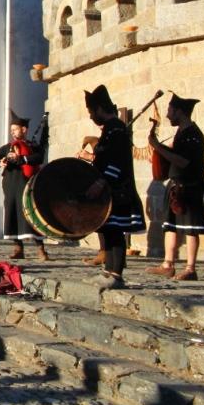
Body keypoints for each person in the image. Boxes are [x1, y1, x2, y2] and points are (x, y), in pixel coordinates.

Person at [82, 85, 145, 290]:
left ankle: (116, 275)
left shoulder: (116, 129)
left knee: (116, 231)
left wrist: (102, 183)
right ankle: (108, 272)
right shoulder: (110, 129)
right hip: (108, 190)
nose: (91, 116)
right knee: (108, 229)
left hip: (117, 189)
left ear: (100, 108)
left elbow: (117, 161)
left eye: (92, 111)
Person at [145, 94, 204, 281]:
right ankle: (168, 265)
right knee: (170, 226)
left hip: (189, 188)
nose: (167, 115)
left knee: (191, 228)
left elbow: (183, 161)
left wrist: (158, 147)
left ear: (180, 111)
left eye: (170, 111)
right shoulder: (181, 132)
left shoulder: (193, 135)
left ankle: (190, 269)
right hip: (175, 186)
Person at [0, 110, 48, 261]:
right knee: (12, 213)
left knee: (31, 214)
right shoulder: (7, 148)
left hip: (27, 184)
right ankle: (18, 248)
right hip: (10, 184)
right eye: (11, 130)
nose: (12, 132)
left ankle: (40, 249)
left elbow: (39, 157)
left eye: (15, 129)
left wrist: (21, 158)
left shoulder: (32, 146)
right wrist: (0, 162)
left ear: (24, 129)